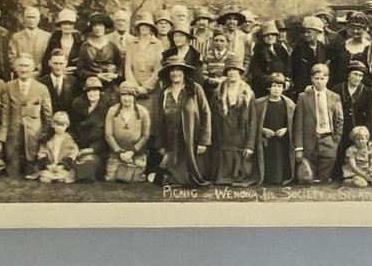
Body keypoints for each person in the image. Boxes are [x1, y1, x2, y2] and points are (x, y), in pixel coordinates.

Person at [151, 55, 211, 186]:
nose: (175, 73)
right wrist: (160, 144)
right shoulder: (164, 92)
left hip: (191, 141)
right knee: (170, 176)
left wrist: (204, 141)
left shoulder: (195, 89)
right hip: (172, 141)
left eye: (178, 69)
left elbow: (206, 113)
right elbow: (160, 120)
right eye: (172, 70)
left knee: (192, 177)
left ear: (184, 72)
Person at [2, 54, 52, 178]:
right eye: (20, 65)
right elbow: (5, 113)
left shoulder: (41, 88)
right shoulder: (8, 86)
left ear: (33, 68)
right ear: (15, 68)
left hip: (34, 133)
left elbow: (48, 114)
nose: (23, 69)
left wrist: (45, 133)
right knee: (12, 170)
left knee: (32, 168)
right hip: (14, 131)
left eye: (26, 66)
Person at [293, 63, 343, 183]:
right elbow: (298, 123)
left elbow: (339, 120)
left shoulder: (334, 97)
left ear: (327, 79)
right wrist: (299, 147)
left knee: (324, 177)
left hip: (328, 139)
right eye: (316, 78)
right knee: (308, 176)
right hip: (310, 140)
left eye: (322, 78)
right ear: (311, 79)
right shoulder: (303, 97)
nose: (319, 82)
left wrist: (335, 139)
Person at [212, 63, 259, 186]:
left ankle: (238, 174)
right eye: (229, 70)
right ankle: (224, 174)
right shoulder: (218, 93)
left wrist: (250, 145)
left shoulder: (248, 93)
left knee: (242, 172)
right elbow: (213, 119)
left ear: (240, 73)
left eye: (235, 70)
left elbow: (252, 121)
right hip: (224, 135)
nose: (232, 72)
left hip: (241, 135)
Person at [252, 73, 297, 185]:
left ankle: (283, 177)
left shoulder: (289, 104)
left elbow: (294, 122)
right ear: (269, 87)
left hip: (283, 141)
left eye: (280, 86)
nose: (277, 89)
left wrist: (286, 129)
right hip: (266, 141)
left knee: (281, 162)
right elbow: (253, 123)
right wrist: (262, 130)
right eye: (274, 86)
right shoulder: (259, 104)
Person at [104, 81, 152, 183]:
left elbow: (146, 135)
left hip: (136, 153)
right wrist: (119, 152)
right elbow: (108, 135)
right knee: (111, 178)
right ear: (119, 96)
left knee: (136, 178)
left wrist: (132, 151)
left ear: (135, 96)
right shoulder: (112, 110)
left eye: (130, 95)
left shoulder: (143, 111)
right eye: (123, 95)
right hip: (116, 153)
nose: (126, 98)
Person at [68, 76, 110, 182]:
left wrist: (92, 149)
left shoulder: (107, 107)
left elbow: (108, 134)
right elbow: (72, 128)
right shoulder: (77, 105)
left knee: (89, 165)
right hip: (79, 146)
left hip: (98, 148)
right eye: (89, 90)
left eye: (95, 90)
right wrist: (77, 147)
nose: (92, 93)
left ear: (100, 91)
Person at [336, 60, 372, 166]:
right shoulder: (337, 89)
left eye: (360, 75)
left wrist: (366, 130)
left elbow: (369, 113)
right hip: (342, 127)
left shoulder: (366, 91)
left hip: (359, 127)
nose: (357, 78)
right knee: (340, 150)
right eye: (355, 74)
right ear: (348, 75)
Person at [123, 12, 166, 96]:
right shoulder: (131, 44)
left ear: (151, 28)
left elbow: (158, 69)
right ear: (138, 27)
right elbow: (127, 68)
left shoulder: (158, 45)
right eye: (142, 25)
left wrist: (146, 87)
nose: (144, 28)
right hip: (133, 90)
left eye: (147, 25)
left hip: (152, 90)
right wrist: (135, 86)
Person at [79, 13, 123, 87]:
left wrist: (115, 75)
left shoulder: (112, 46)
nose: (98, 28)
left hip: (110, 83)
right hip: (91, 84)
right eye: (95, 25)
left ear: (105, 27)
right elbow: (80, 70)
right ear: (92, 28)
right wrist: (97, 75)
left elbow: (120, 66)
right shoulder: (85, 47)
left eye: (100, 25)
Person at [248, 22, 291, 97]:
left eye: (273, 34)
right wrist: (273, 79)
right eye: (267, 35)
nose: (270, 37)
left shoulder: (281, 50)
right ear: (262, 37)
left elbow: (289, 66)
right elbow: (257, 74)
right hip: (265, 90)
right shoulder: (258, 53)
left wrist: (287, 80)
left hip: (282, 88)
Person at [290, 16, 331, 94]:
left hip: (319, 88)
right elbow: (293, 70)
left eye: (309, 32)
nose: (306, 34)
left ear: (317, 32)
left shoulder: (323, 48)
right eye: (304, 32)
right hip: (303, 89)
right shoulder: (299, 48)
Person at [36, 111, 78, 184]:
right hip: (50, 165)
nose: (59, 128)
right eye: (57, 125)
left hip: (62, 167)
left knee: (62, 177)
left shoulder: (69, 139)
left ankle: (58, 175)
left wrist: (62, 165)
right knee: (45, 177)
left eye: (62, 125)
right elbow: (42, 152)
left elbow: (73, 153)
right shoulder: (48, 139)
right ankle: (49, 175)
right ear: (53, 125)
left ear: (67, 126)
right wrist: (48, 165)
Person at [44, 9, 84, 75]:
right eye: (64, 23)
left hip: (75, 75)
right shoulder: (54, 40)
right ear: (60, 25)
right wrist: (60, 70)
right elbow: (45, 61)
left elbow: (84, 62)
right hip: (55, 74)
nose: (67, 26)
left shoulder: (79, 42)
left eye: (70, 24)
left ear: (73, 25)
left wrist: (75, 69)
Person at [40, 50, 80, 114]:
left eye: (61, 63)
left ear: (66, 63)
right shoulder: (41, 83)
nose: (58, 67)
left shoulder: (73, 81)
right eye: (55, 63)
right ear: (49, 63)